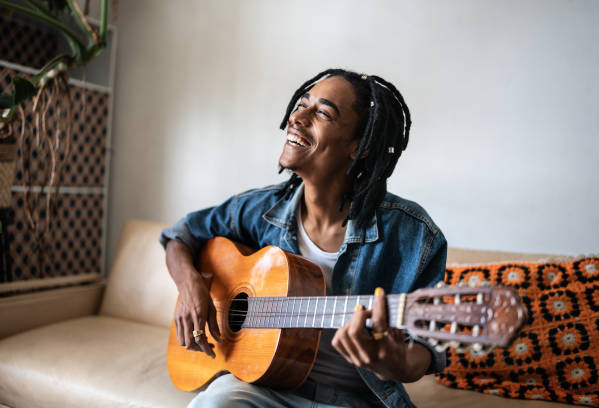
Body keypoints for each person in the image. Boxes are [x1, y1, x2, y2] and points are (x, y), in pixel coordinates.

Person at [159, 68, 448, 408]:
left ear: (359, 147)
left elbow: (426, 352)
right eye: (302, 104)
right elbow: (180, 235)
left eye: (323, 112)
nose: (298, 117)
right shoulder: (261, 208)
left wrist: (386, 359)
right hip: (263, 388)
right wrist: (190, 285)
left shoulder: (412, 233)